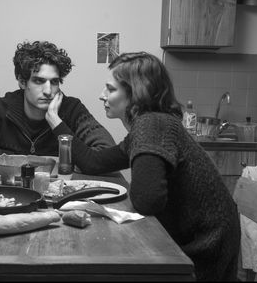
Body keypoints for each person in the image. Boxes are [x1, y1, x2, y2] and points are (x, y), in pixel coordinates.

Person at [45, 52, 241, 282]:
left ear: (135, 93)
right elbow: (93, 162)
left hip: (205, 246)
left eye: (110, 89)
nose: (101, 95)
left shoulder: (151, 125)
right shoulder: (148, 125)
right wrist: (54, 120)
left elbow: (148, 200)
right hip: (198, 236)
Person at [0, 40, 116, 166]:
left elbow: (107, 155)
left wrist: (57, 123)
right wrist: (13, 159)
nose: (48, 90)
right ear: (22, 82)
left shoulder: (72, 109)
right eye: (39, 81)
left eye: (54, 82)